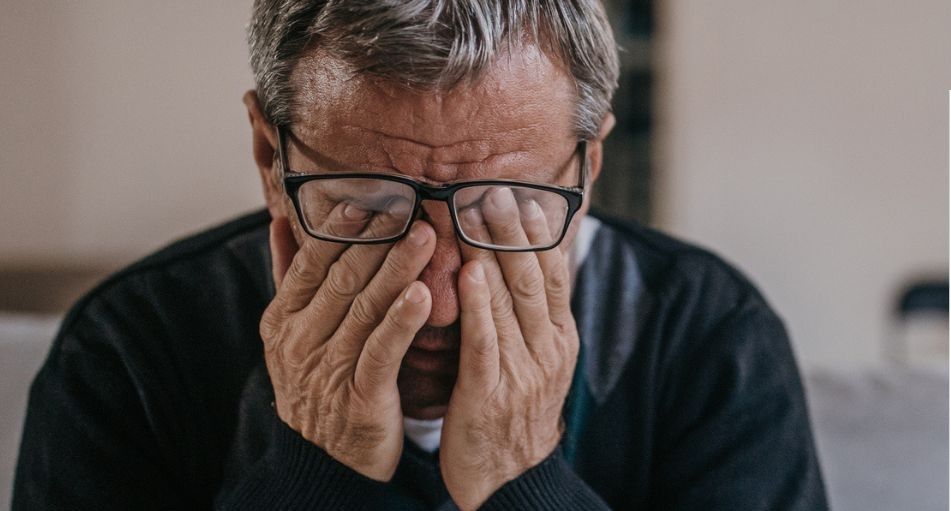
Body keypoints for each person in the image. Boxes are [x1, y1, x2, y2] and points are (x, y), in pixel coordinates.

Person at [13, 1, 828, 509]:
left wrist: (521, 482)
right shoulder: (129, 348)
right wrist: (315, 477)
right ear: (270, 156)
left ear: (588, 165)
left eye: (500, 207)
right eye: (367, 207)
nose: (437, 300)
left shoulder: (708, 334)